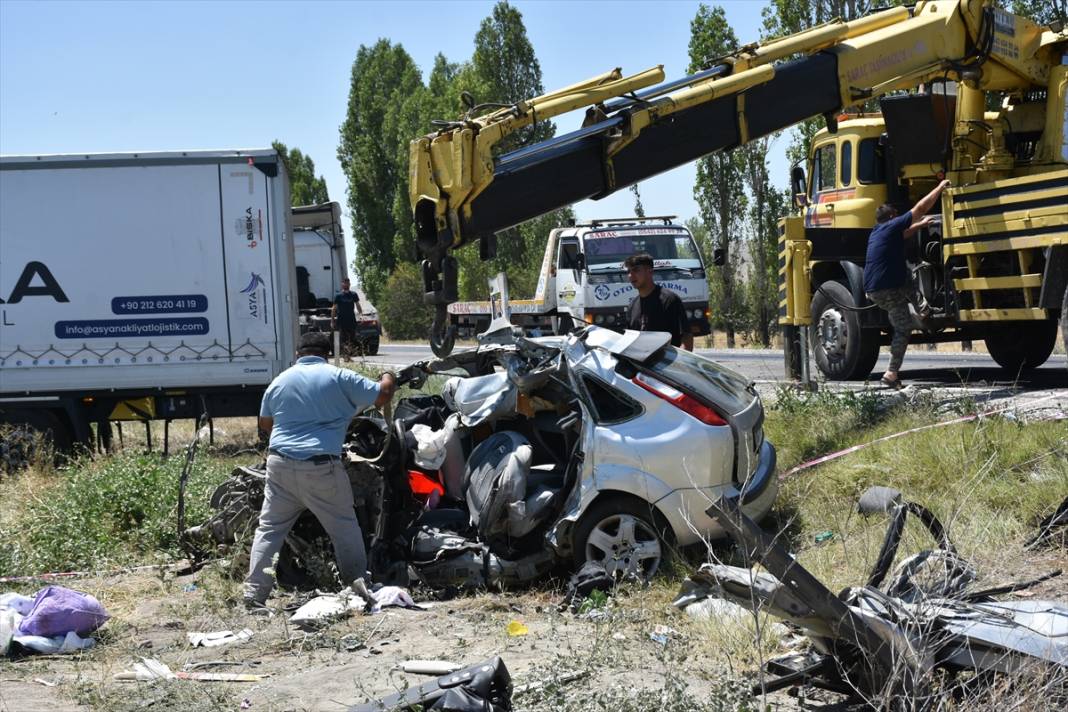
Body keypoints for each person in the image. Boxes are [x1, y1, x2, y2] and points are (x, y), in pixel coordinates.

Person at [243, 331, 395, 612]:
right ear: (326, 354)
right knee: (344, 527)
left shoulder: (279, 381)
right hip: (320, 466)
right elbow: (382, 395)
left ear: (298, 354)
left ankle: (254, 597)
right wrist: (388, 376)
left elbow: (265, 424)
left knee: (270, 530)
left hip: (279, 465)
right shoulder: (339, 376)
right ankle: (357, 586)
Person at [863, 179, 950, 389]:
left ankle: (923, 309)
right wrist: (939, 188)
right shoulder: (893, 224)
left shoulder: (877, 231)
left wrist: (920, 226)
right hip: (887, 289)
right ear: (892, 217)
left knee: (907, 276)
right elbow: (920, 208)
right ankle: (891, 373)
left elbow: (904, 233)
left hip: (874, 290)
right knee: (903, 328)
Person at [624, 253, 694, 351]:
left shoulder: (670, 300)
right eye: (628, 271)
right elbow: (629, 342)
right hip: (640, 365)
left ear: (650, 272)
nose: (631, 275)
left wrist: (678, 364)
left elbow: (686, 337)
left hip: (666, 364)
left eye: (636, 270)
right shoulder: (632, 306)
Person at [331, 278, 362, 352]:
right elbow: (334, 309)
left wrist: (361, 314)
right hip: (341, 320)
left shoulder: (353, 294)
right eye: (344, 283)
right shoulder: (338, 296)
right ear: (342, 284)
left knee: (352, 338)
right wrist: (332, 321)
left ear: (349, 284)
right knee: (343, 339)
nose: (346, 284)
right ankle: (346, 356)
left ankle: (349, 354)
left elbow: (357, 305)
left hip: (351, 320)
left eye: (347, 283)